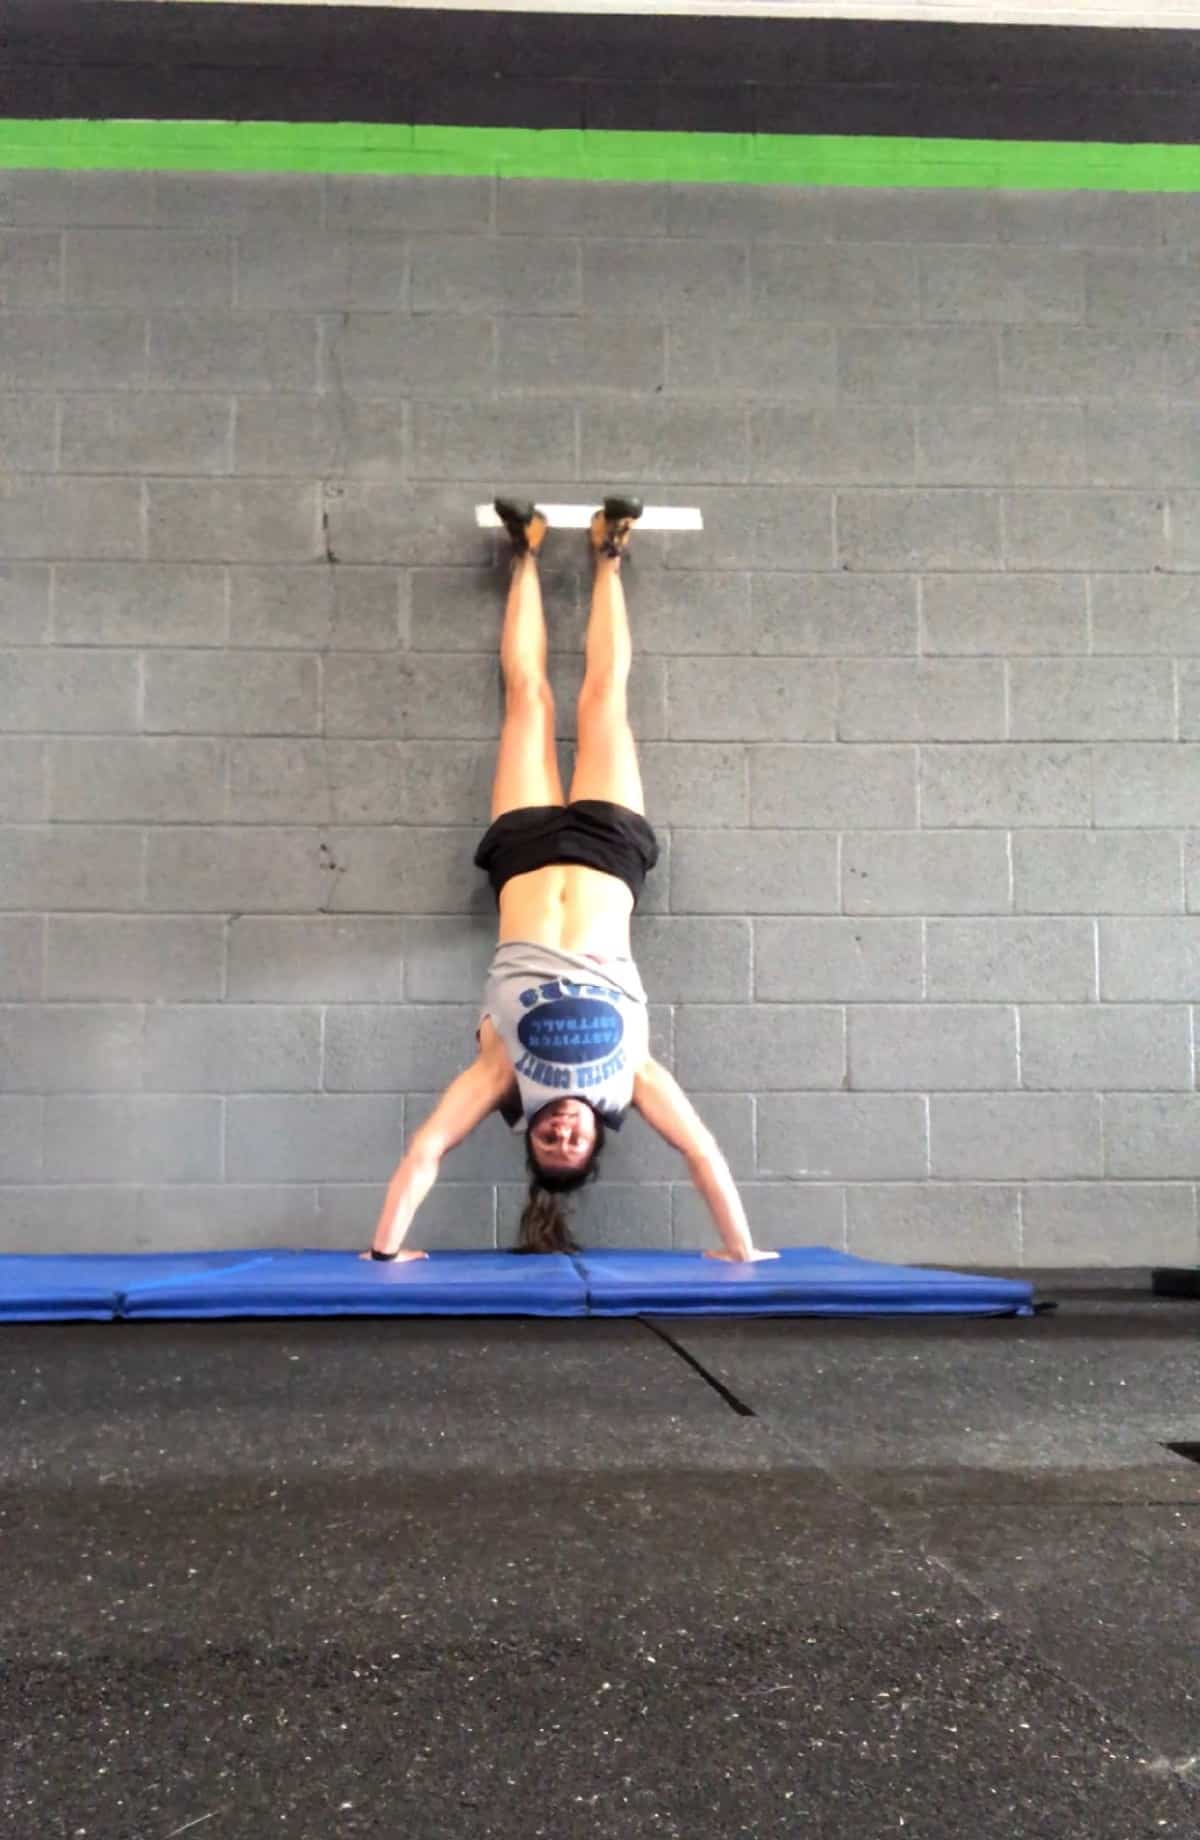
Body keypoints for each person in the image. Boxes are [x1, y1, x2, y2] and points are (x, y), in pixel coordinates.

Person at [366, 496, 777, 1265]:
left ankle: (524, 554)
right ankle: (607, 555)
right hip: (609, 855)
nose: (560, 1132)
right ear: (595, 1137)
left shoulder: (503, 1077)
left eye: (548, 1142)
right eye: (572, 1143)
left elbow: (428, 1147)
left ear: (529, 1133)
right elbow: (700, 1150)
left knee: (527, 700)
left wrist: (386, 1250)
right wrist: (741, 1250)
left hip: (522, 856)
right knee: (603, 700)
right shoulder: (631, 1080)